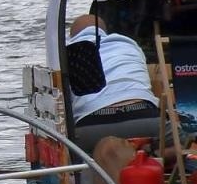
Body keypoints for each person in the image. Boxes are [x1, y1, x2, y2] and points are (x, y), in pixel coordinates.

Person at [66, 14, 160, 151]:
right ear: (104, 31)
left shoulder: (68, 52)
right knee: (182, 142)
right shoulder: (128, 44)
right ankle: (150, 153)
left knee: (81, 156)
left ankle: (95, 169)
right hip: (144, 118)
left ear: (72, 36)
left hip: (92, 127)